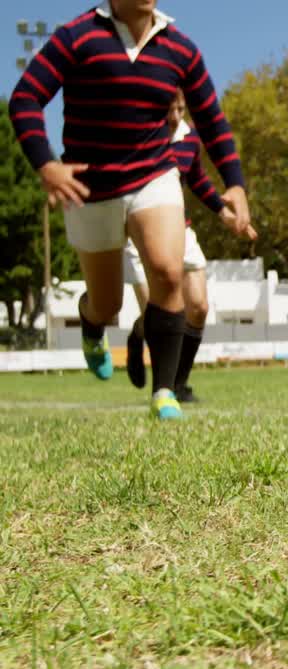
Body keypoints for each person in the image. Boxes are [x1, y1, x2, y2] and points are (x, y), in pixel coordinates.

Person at [9, 0, 251, 419]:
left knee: (168, 273)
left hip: (153, 176)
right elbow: (25, 98)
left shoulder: (181, 49)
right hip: (90, 187)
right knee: (108, 305)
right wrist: (46, 164)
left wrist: (235, 184)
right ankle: (90, 324)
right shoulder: (77, 37)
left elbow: (212, 120)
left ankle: (165, 392)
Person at [123, 93, 258, 402]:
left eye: (181, 109)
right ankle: (143, 348)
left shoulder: (189, 138)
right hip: (139, 232)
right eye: (168, 109)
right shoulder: (140, 135)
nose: (174, 117)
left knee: (197, 307)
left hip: (179, 229)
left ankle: (179, 385)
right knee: (158, 312)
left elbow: (196, 179)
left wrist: (225, 214)